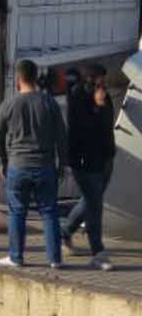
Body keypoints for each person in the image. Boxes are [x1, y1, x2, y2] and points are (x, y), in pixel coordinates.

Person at [0, 59, 68, 269]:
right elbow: (62, 135)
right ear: (36, 77)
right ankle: (55, 259)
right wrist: (62, 163)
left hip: (18, 165)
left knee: (17, 212)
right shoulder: (48, 103)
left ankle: (16, 257)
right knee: (49, 211)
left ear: (18, 79)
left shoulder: (9, 104)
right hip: (45, 165)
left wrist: (3, 161)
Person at [62, 64, 116, 269]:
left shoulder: (103, 96)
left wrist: (102, 105)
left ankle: (64, 233)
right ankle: (98, 252)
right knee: (95, 207)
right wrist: (99, 106)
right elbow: (85, 129)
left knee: (90, 200)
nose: (103, 83)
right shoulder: (78, 97)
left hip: (105, 158)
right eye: (99, 79)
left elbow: (107, 123)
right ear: (90, 79)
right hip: (86, 161)